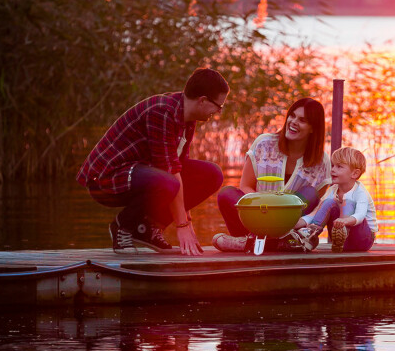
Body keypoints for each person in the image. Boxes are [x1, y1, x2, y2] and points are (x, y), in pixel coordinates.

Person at [76, 68, 228, 256]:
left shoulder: (188, 118)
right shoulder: (162, 112)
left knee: (212, 174)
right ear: (202, 100)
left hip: (142, 173)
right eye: (218, 106)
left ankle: (148, 229)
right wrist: (182, 225)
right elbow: (170, 171)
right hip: (107, 178)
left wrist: (188, 223)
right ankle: (122, 226)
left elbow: (180, 168)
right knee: (168, 181)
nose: (218, 111)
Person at [212, 97, 330, 252]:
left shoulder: (321, 162)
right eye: (292, 116)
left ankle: (249, 244)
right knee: (227, 194)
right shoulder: (264, 143)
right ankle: (273, 243)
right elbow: (246, 186)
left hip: (289, 224)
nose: (293, 122)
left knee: (310, 193)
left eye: (302, 120)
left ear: (313, 128)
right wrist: (264, 210)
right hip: (256, 217)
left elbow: (319, 205)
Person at [295, 146, 377, 252]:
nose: (333, 170)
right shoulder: (332, 190)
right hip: (342, 240)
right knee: (328, 202)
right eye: (333, 166)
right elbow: (316, 213)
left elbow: (360, 215)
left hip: (363, 239)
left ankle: (343, 234)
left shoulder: (360, 192)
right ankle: (311, 233)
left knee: (347, 202)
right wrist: (297, 223)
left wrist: (345, 221)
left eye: (339, 167)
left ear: (355, 173)